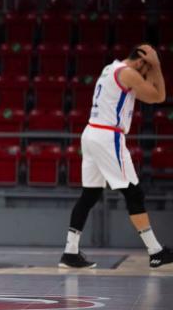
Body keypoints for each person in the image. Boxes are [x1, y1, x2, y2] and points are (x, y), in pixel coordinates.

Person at [59, 44, 173, 269]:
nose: (147, 75)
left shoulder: (110, 68)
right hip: (107, 136)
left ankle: (70, 252)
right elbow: (158, 96)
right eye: (146, 69)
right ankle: (155, 251)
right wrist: (157, 66)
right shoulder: (128, 73)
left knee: (90, 195)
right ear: (141, 62)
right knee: (133, 192)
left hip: (91, 133)